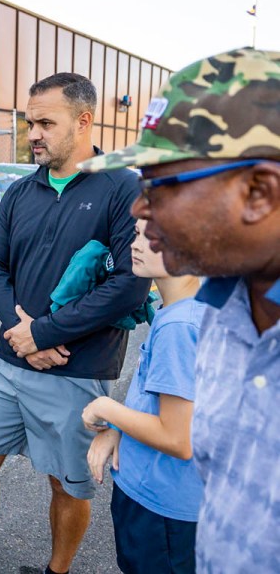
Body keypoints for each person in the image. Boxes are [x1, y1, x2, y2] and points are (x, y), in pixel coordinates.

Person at [79, 47, 280, 574]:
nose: (139, 209)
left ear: (258, 192)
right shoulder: (220, 305)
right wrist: (124, 426)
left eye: (162, 184)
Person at [0, 73, 152, 574]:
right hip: (9, 359)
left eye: (45, 122)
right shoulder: (21, 191)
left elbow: (130, 283)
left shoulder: (123, 188)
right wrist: (23, 337)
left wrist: (43, 335)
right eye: (29, 122)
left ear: (83, 122)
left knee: (66, 483)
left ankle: (56, 572)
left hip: (77, 368)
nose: (33, 133)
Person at [82, 220, 203, 574]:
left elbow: (178, 438)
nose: (134, 243)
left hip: (164, 507)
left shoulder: (181, 326)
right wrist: (120, 429)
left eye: (148, 236)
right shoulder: (188, 307)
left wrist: (107, 410)